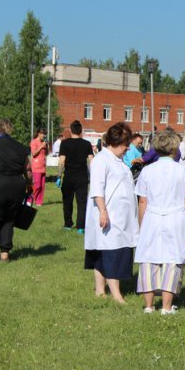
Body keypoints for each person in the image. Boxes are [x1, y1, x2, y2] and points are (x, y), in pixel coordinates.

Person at [135, 129, 185, 315]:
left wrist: (142, 222)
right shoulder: (182, 170)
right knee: (173, 259)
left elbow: (142, 200)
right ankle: (166, 306)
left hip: (152, 216)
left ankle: (148, 306)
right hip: (175, 217)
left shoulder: (147, 170)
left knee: (148, 258)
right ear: (174, 148)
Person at [84, 122, 139, 303]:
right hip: (109, 216)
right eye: (125, 144)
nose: (128, 148)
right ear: (116, 142)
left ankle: (100, 291)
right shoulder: (101, 160)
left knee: (103, 253)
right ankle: (116, 294)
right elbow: (97, 189)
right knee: (111, 253)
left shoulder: (117, 161)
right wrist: (103, 211)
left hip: (121, 217)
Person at [0, 119, 31, 263]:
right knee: (9, 219)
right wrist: (29, 184)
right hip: (16, 186)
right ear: (9, 129)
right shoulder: (19, 146)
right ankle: (5, 253)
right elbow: (27, 169)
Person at [58, 120, 94, 233]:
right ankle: (81, 227)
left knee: (67, 201)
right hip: (82, 177)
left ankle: (68, 224)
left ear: (70, 130)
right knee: (82, 202)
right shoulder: (87, 144)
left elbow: (61, 161)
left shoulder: (64, 143)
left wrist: (59, 176)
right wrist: (93, 177)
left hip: (68, 177)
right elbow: (91, 161)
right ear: (81, 130)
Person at [30, 128, 48, 206]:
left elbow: (46, 153)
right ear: (38, 134)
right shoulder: (34, 142)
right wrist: (41, 146)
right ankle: (31, 199)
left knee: (42, 186)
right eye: (43, 134)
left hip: (43, 167)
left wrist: (46, 146)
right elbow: (33, 153)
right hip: (36, 167)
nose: (44, 136)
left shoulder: (43, 142)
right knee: (36, 185)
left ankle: (39, 202)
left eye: (45, 134)